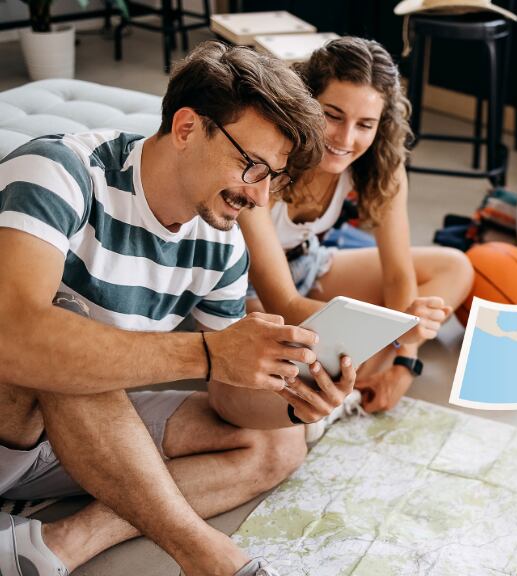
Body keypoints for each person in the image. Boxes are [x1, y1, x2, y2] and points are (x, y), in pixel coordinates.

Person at [0, 41, 355, 576]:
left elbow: (231, 399)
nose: (260, 199)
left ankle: (59, 544)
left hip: (77, 442)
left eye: (274, 179)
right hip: (12, 416)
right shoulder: (58, 171)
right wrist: (209, 353)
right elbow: (14, 338)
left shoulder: (221, 244)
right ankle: (206, 555)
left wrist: (294, 399)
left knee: (277, 444)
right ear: (187, 127)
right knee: (63, 326)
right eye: (253, 166)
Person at [238, 37, 474, 415]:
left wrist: (404, 361)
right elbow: (282, 301)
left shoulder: (380, 163)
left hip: (309, 263)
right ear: (305, 100)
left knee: (455, 266)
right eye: (332, 115)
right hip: (249, 287)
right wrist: (395, 331)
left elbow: (399, 275)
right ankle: (359, 373)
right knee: (289, 358)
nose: (346, 139)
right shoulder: (269, 155)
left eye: (365, 124)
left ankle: (371, 375)